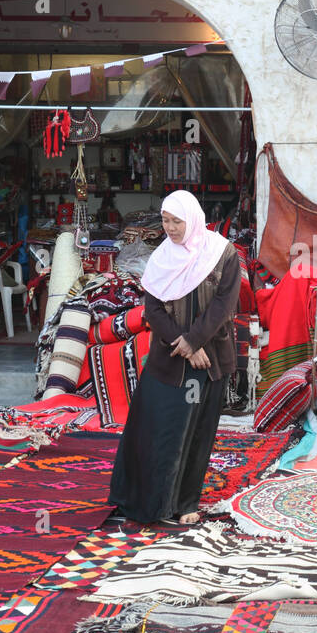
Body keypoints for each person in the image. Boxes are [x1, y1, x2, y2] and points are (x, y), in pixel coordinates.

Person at [108, 190, 241, 524]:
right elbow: (152, 308)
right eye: (165, 220)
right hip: (170, 360)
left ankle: (185, 504)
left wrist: (195, 342)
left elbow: (224, 305)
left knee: (196, 433)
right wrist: (183, 344)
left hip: (209, 362)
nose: (170, 227)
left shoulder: (222, 254)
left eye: (176, 221)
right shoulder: (162, 259)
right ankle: (148, 502)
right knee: (158, 429)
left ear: (192, 219)